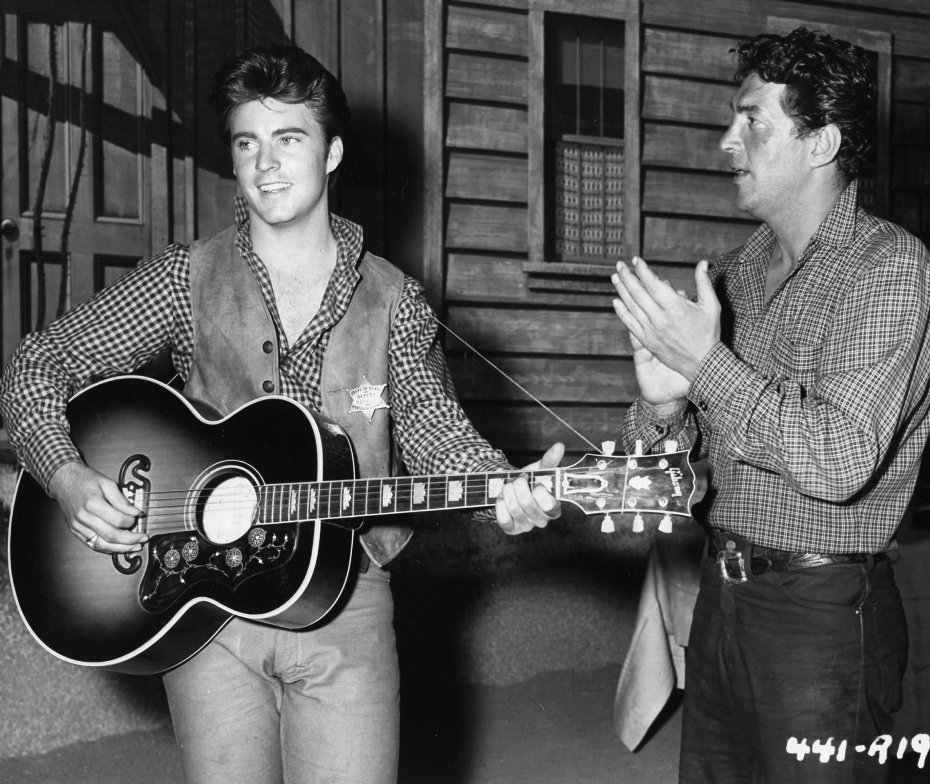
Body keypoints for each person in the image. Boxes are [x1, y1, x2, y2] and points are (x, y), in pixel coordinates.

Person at [0, 44, 561, 784]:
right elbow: (33, 365)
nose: (266, 163)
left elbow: (432, 430)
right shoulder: (184, 278)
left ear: (330, 152)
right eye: (246, 143)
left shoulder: (395, 301)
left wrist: (504, 490)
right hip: (205, 617)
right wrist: (66, 474)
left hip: (346, 605)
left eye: (288, 138)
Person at [611, 27, 930, 783]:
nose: (728, 141)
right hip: (721, 602)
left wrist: (706, 362)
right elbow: (659, 476)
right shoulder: (732, 276)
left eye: (752, 120)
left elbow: (837, 460)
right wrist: (662, 405)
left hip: (823, 616)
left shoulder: (891, 271)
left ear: (821, 142)